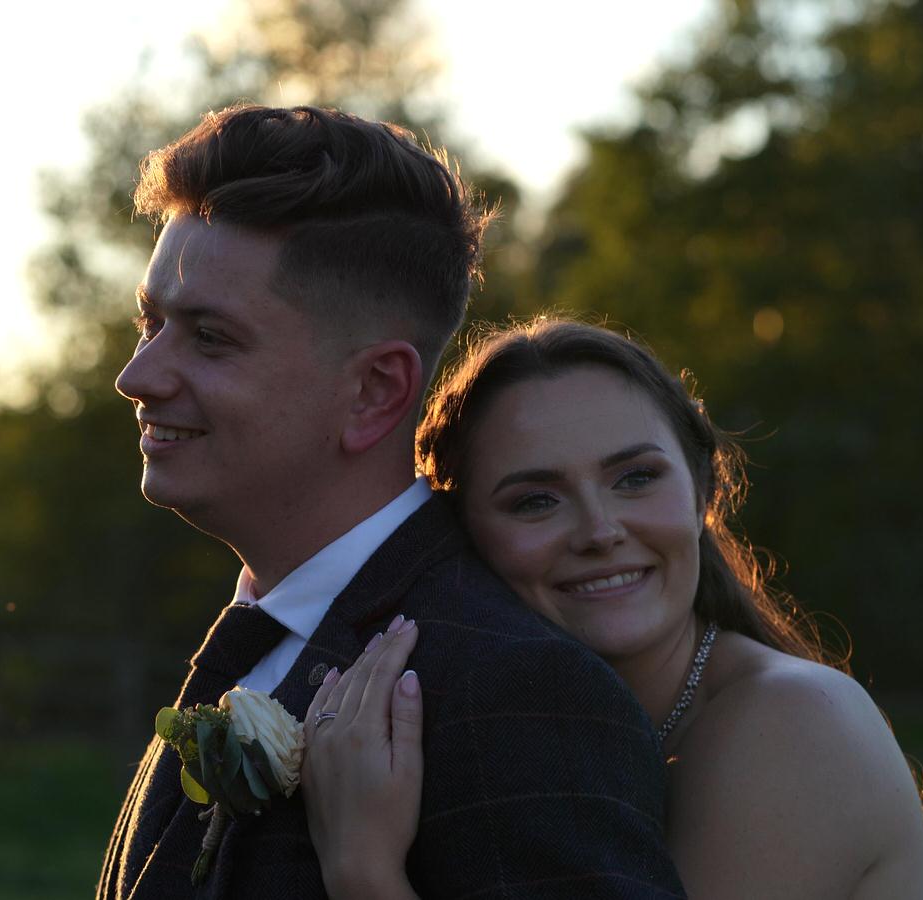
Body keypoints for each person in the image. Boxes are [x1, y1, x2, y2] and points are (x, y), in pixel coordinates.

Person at [98, 106, 687, 899]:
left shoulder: (510, 692)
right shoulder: (259, 635)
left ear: (375, 392)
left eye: (209, 337)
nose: (137, 377)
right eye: (151, 324)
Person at [304, 317, 923, 899]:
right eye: (535, 500)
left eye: (635, 478)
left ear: (704, 487)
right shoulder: (524, 749)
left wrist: (365, 874)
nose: (599, 530)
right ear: (461, 533)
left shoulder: (793, 721)